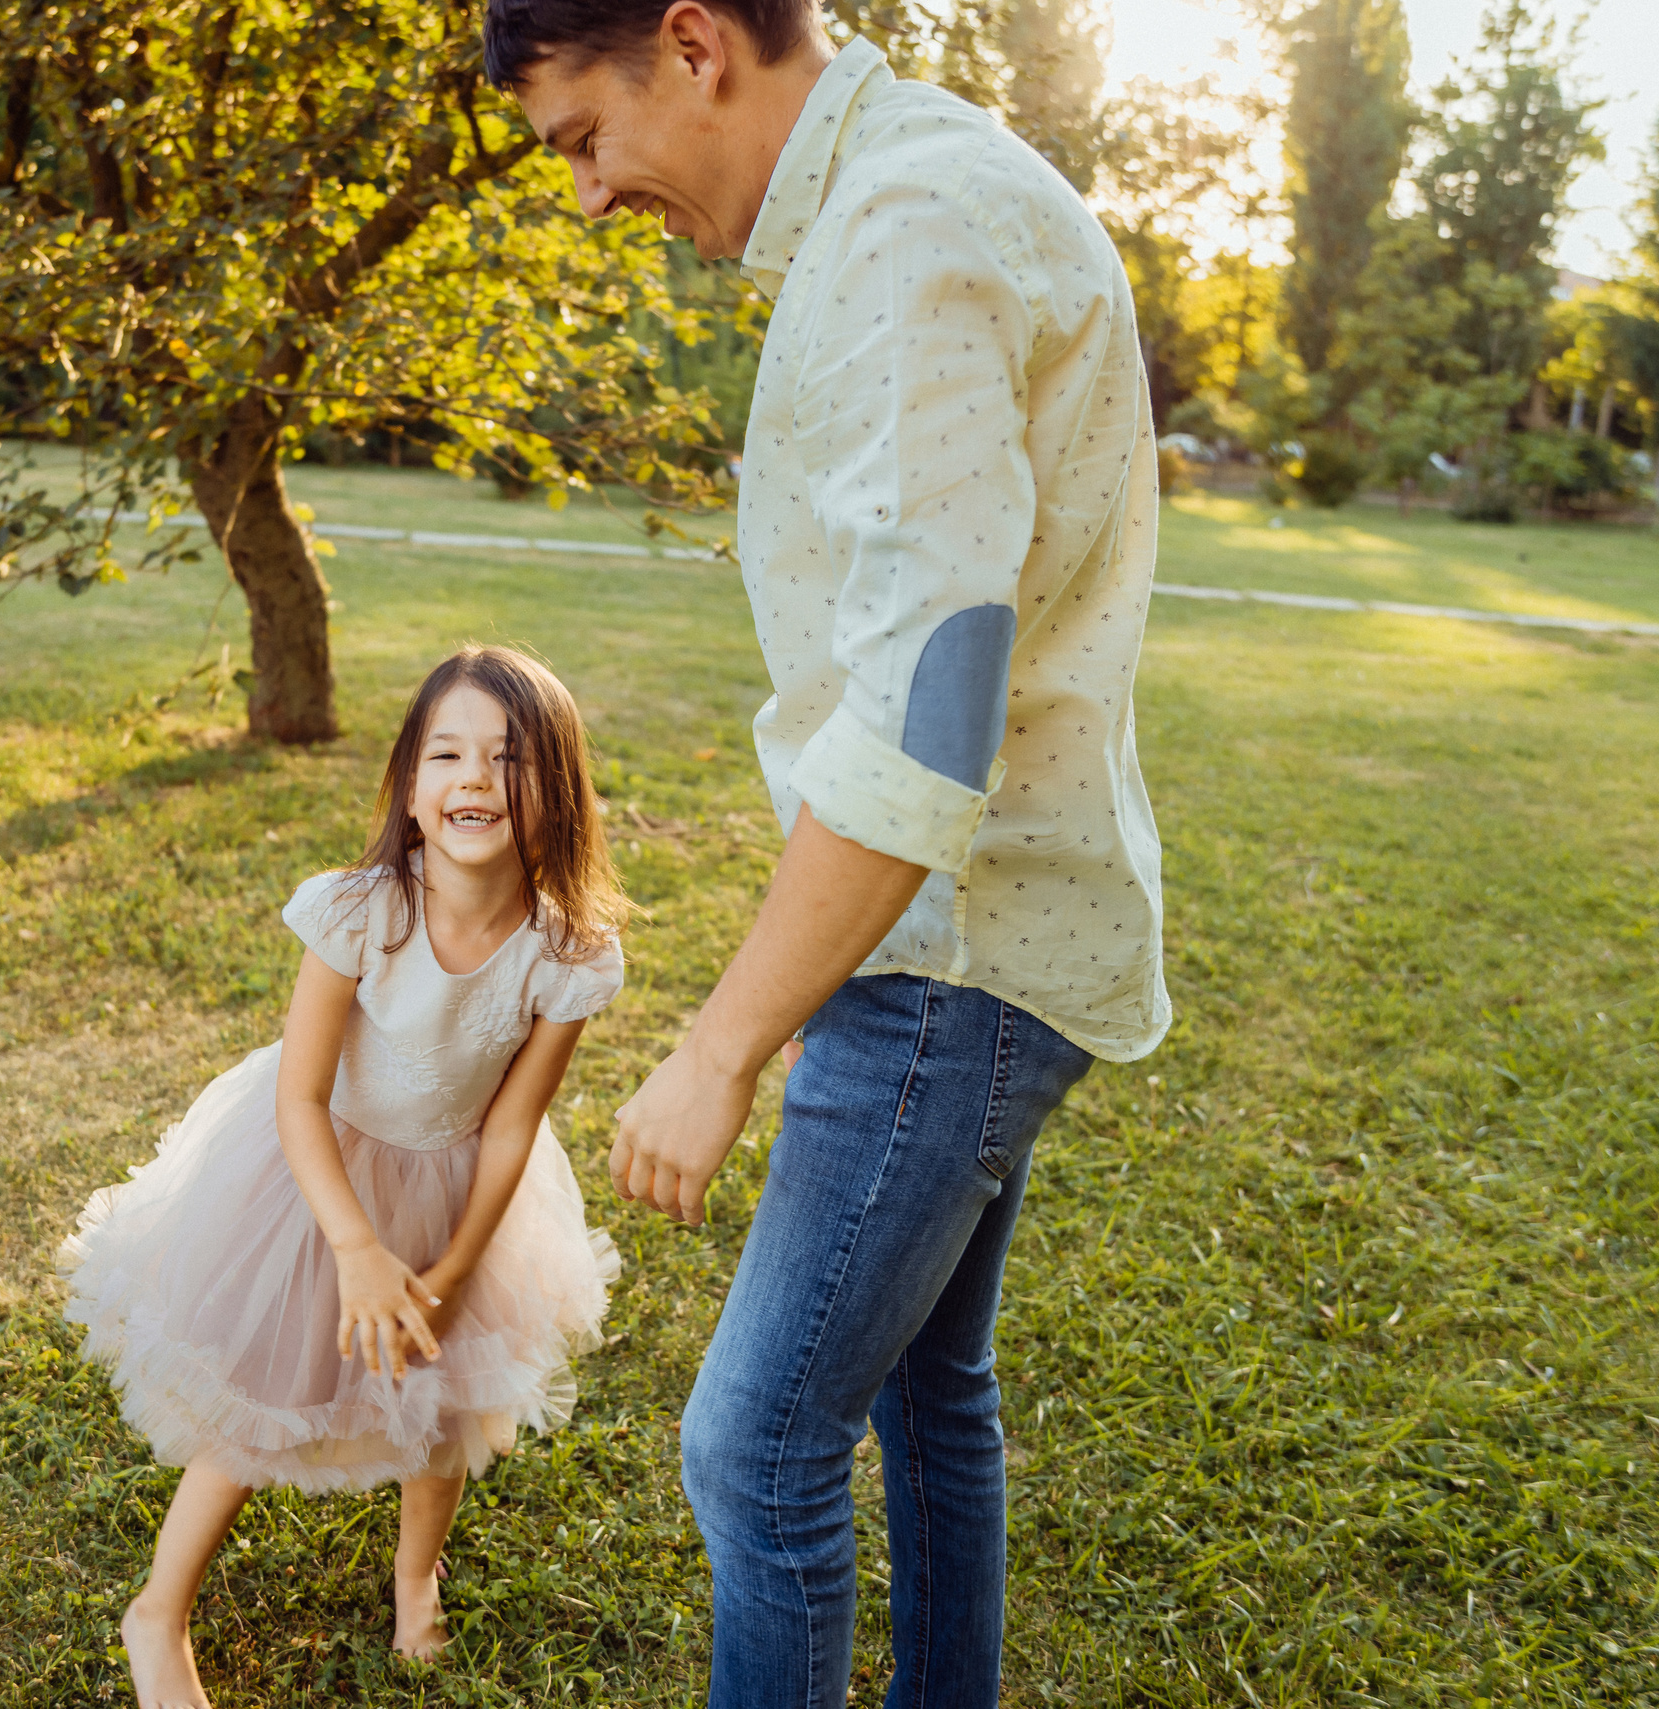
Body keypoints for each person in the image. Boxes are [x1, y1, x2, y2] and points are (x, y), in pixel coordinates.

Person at [486, 3, 1171, 1705]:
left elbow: (933, 709)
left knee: (752, 1446)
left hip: (951, 958)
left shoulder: (898, 229)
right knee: (936, 1392)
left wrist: (721, 1043)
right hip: (985, 930)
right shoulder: (929, 179)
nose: (585, 195)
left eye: (585, 137)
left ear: (695, 43)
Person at [57, 646, 629, 1708]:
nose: (474, 777)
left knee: (446, 1390)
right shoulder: (360, 912)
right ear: (410, 790)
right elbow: (299, 1097)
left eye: (508, 758)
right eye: (446, 752)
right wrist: (356, 1246)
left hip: (461, 1187)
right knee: (263, 1386)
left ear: (560, 789)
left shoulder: (566, 956)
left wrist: (455, 1265)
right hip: (314, 1173)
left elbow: (511, 1129)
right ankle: (158, 1608)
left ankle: (417, 1575)